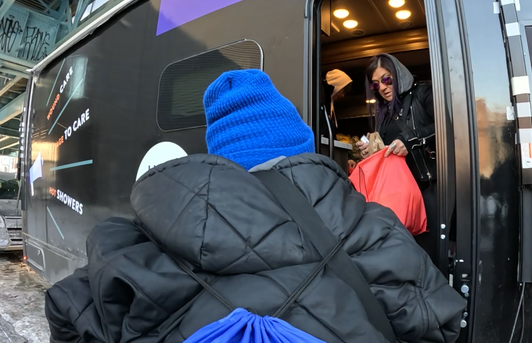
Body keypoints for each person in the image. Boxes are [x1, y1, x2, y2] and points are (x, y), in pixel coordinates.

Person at [44, 69, 465, 343]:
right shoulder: (374, 225)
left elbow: (66, 307)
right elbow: (439, 324)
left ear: (221, 158)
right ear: (300, 145)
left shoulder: (146, 242)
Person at [357, 54, 439, 261]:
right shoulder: (383, 114)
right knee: (400, 251)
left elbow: (445, 126)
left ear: (398, 74)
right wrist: (370, 151)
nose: (383, 88)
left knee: (427, 251)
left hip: (427, 187)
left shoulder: (423, 93)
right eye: (376, 84)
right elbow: (388, 151)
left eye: (386, 79)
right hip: (398, 192)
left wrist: (409, 140)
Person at [322, 69, 352, 134]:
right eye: (343, 90)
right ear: (336, 86)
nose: (343, 95)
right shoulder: (322, 100)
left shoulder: (329, 102)